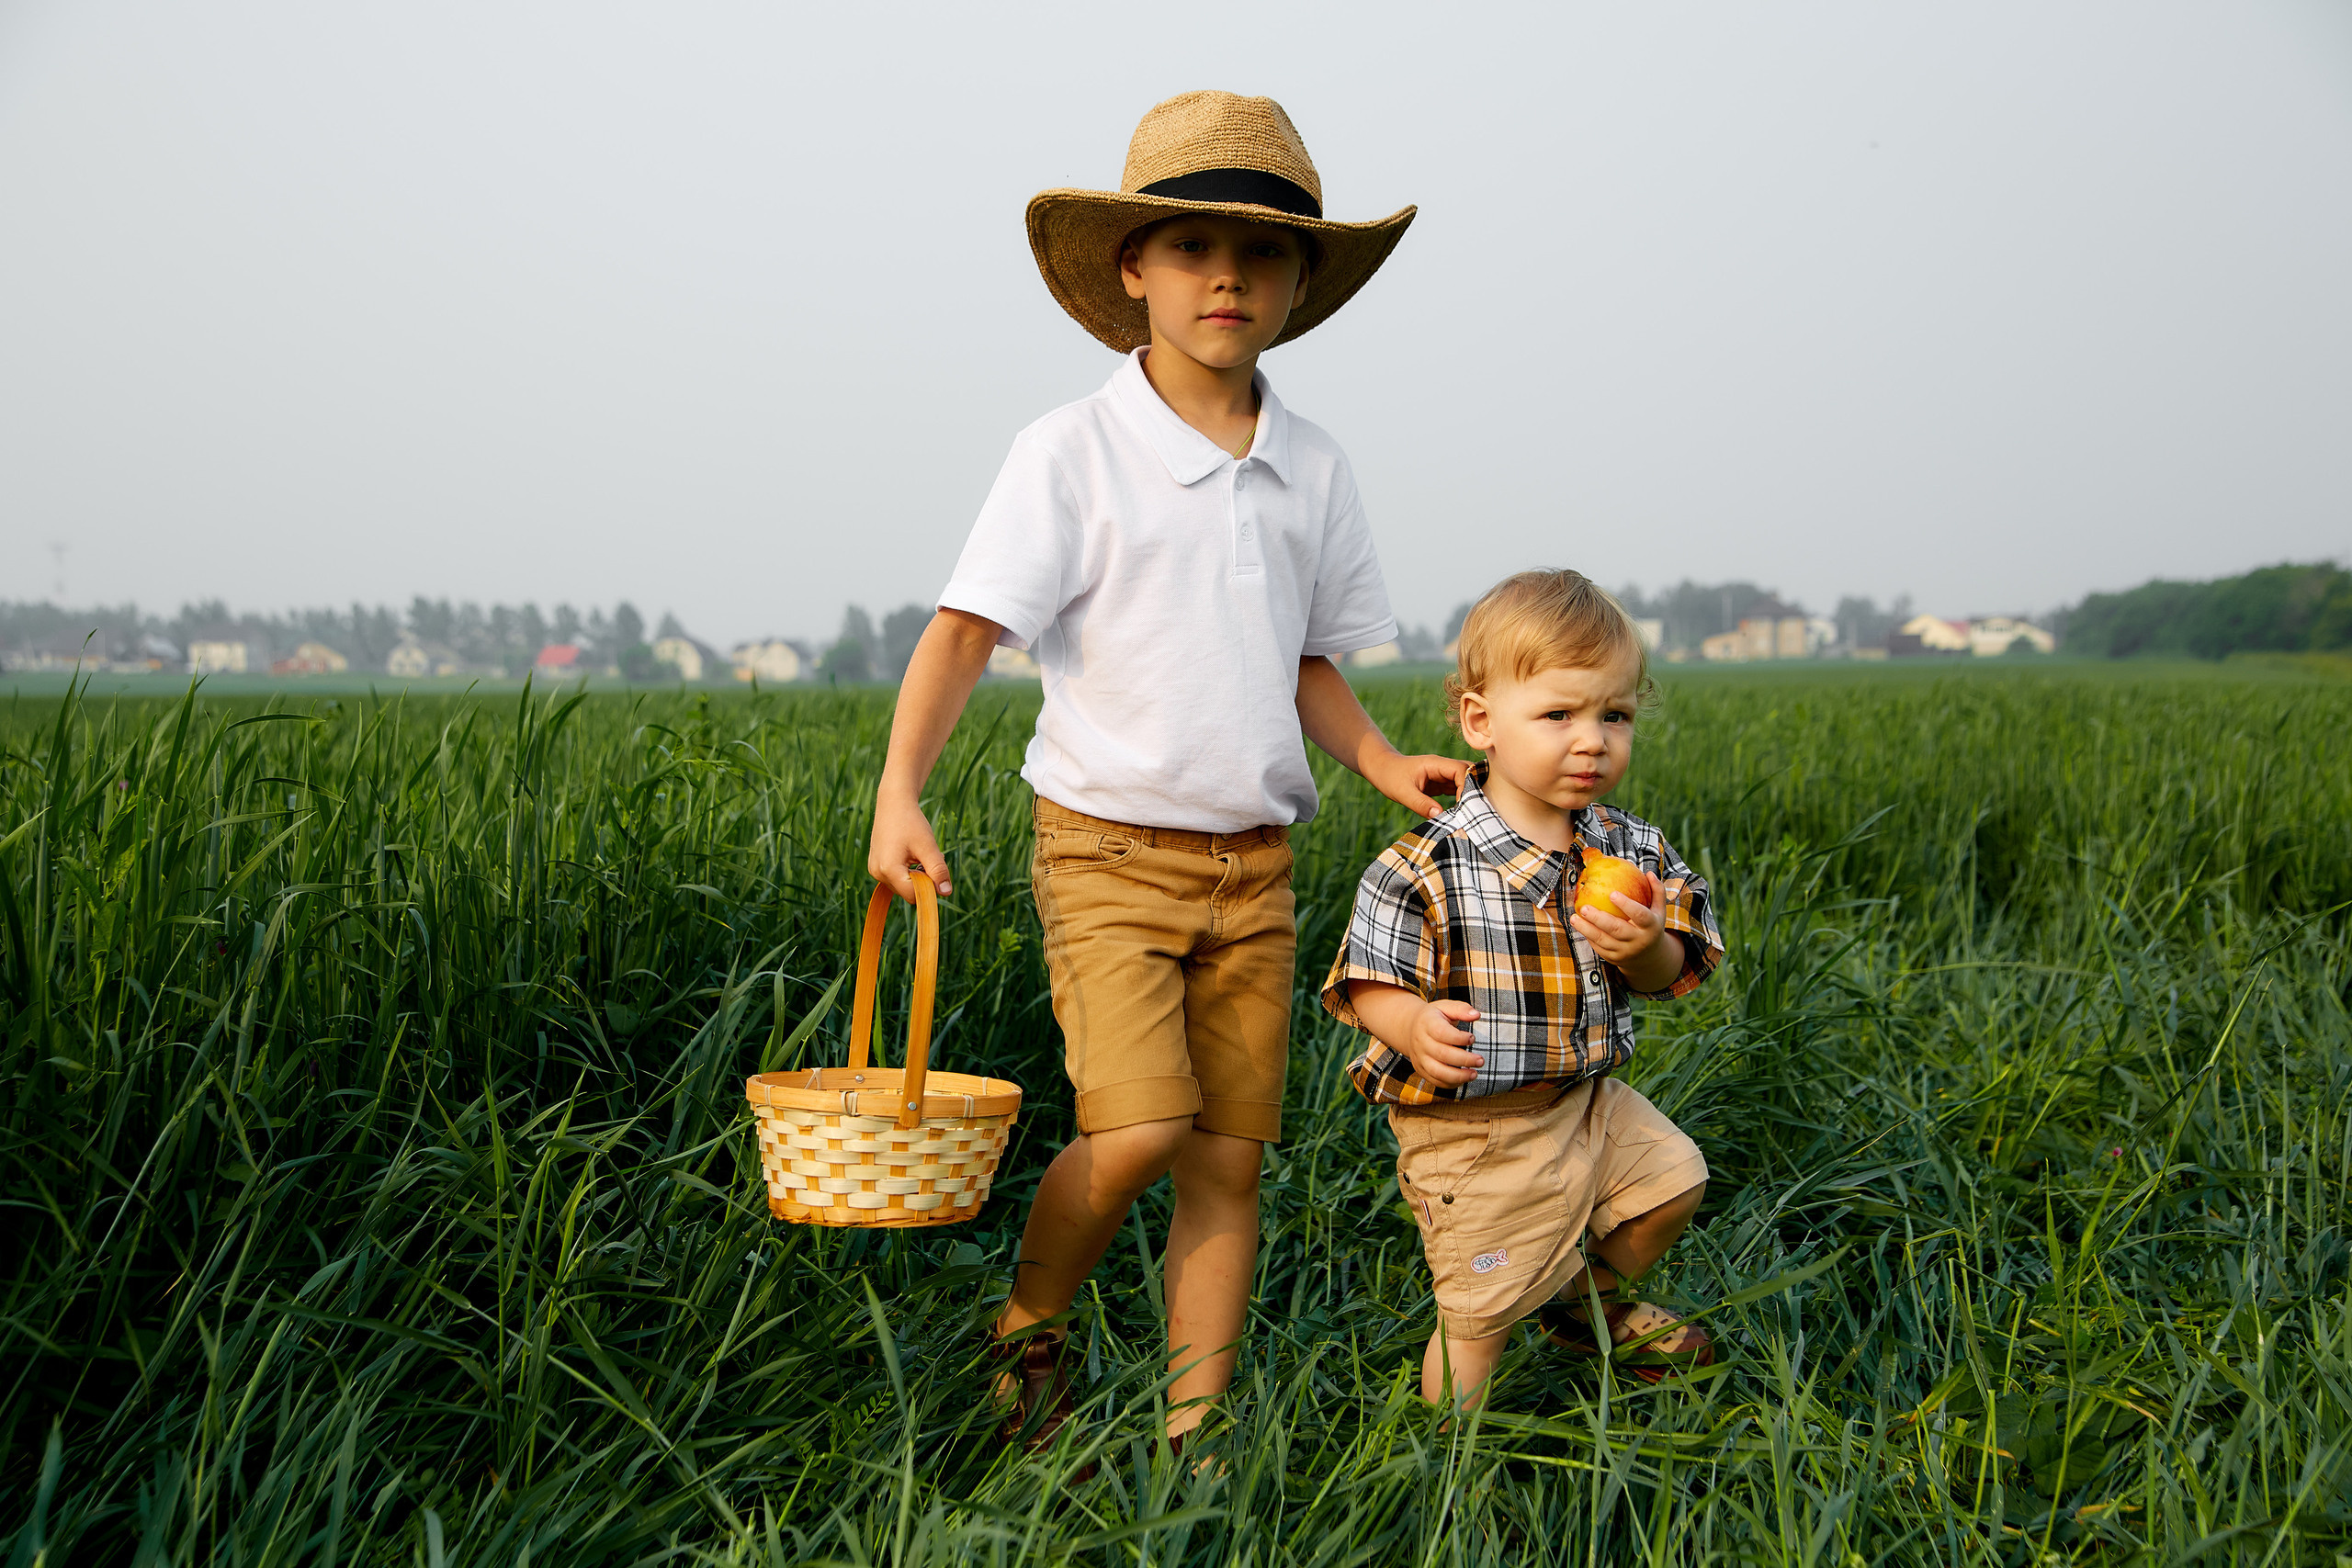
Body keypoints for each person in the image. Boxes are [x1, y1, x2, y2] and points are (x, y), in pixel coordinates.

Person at [865, 90, 1467, 1453]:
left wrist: (1377, 755)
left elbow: (1306, 656)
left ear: (1300, 280)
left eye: (1261, 256)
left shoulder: (1314, 466)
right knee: (1136, 1130)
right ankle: (1027, 1323)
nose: (1227, 279)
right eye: (1194, 249)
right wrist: (899, 792)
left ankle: (1200, 1435)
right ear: (1134, 267)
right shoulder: (1070, 452)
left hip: (1252, 864)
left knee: (1226, 1158)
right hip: (1107, 853)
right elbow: (966, 632)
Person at [1320, 570, 1724, 1408]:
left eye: (1614, 715)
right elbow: (1367, 979)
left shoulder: (1630, 847)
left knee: (1674, 1179)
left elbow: (1676, 969)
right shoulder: (1426, 864)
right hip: (1475, 1132)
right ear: (1481, 721)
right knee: (1478, 1318)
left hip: (1587, 1097)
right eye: (1559, 715)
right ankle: (1445, 1462)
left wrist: (1646, 944)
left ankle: (1585, 1308)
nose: (1593, 741)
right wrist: (1411, 1023)